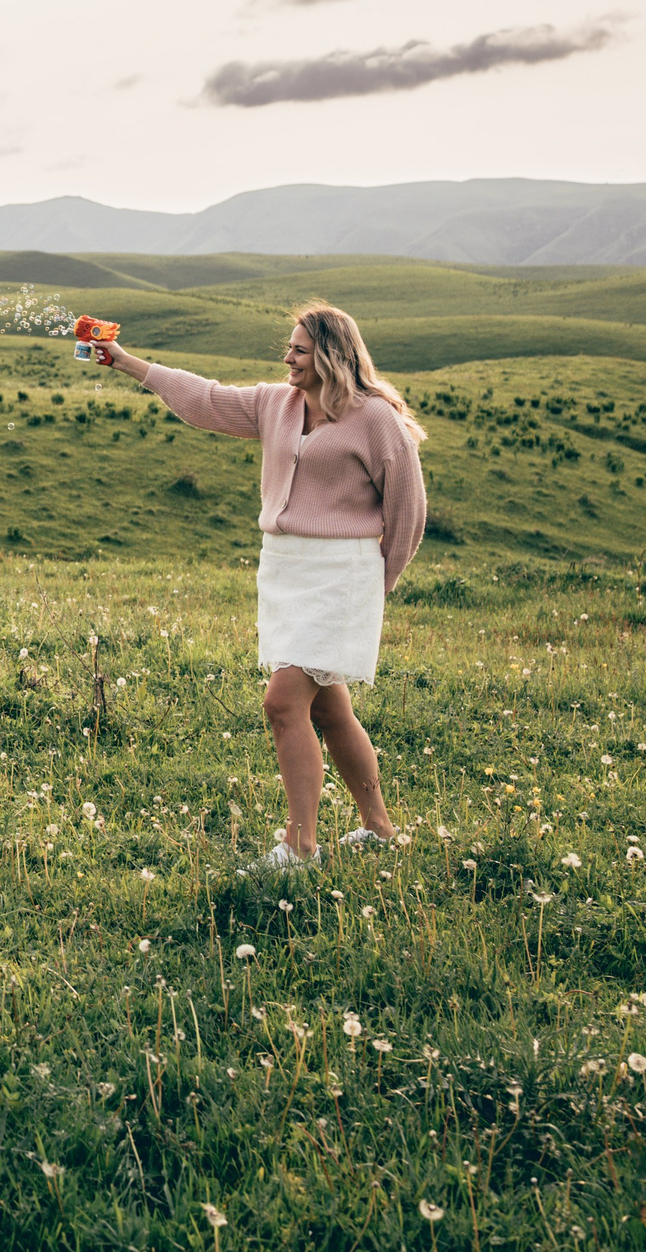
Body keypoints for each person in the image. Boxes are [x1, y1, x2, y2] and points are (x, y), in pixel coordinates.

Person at [99, 301, 426, 871]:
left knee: (282, 703)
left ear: (329, 355)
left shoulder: (374, 419)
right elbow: (205, 399)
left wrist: (384, 577)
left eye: (299, 350)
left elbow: (408, 506)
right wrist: (127, 362)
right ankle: (379, 830)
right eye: (290, 348)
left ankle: (300, 846)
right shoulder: (278, 403)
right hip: (286, 569)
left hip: (342, 574)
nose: (288, 358)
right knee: (329, 711)